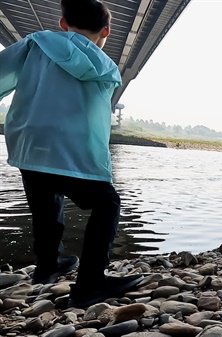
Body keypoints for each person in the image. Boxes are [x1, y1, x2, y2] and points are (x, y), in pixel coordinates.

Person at [0, 0, 143, 308]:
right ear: (105, 32)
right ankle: (91, 282)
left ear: (63, 24)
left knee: (45, 201)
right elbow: (95, 117)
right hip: (70, 144)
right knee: (107, 202)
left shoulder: (36, 42)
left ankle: (47, 267)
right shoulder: (105, 66)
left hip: (29, 138)